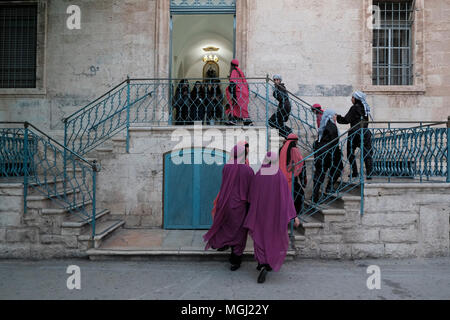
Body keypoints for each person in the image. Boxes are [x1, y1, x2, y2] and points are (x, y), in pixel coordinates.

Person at [243, 151, 299, 284]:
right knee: (272, 237)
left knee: (260, 237)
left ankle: (262, 263)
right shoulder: (279, 175)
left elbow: (251, 195)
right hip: (275, 215)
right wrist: (293, 215)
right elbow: (286, 198)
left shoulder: (259, 174)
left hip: (260, 213)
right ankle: (268, 263)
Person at [203, 142, 254, 271]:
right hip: (240, 206)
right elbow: (251, 189)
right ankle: (235, 259)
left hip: (226, 203)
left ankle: (222, 244)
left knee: (228, 227)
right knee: (240, 232)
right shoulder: (248, 170)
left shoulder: (227, 167)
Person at [336, 91, 373, 179]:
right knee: (367, 153)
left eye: (352, 97)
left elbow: (346, 120)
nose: (351, 99)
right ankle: (369, 174)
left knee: (350, 153)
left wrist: (337, 117)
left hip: (355, 133)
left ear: (356, 99)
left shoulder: (354, 108)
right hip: (365, 132)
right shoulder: (365, 108)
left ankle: (355, 172)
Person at [312, 109, 343, 203]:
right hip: (329, 153)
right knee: (338, 169)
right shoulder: (331, 126)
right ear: (330, 116)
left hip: (321, 153)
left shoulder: (324, 124)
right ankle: (329, 187)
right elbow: (334, 142)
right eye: (334, 115)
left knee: (319, 175)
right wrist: (337, 153)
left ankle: (315, 197)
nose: (335, 117)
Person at [279, 133, 307, 221]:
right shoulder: (294, 150)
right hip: (291, 178)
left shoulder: (282, 148)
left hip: (281, 177)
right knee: (299, 195)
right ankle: (294, 216)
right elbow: (300, 163)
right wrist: (303, 179)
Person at [225, 59, 252, 126]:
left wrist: (233, 95)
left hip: (239, 91)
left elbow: (232, 83)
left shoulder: (234, 71)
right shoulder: (240, 71)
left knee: (237, 106)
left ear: (231, 65)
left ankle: (247, 121)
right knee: (239, 107)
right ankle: (234, 120)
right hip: (244, 91)